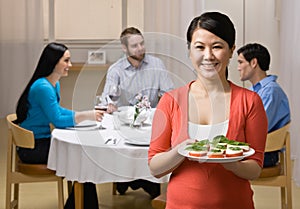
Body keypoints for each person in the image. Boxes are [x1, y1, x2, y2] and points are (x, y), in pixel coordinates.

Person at [148, 12, 268, 209]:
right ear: (189, 51)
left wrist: (234, 165)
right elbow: (155, 168)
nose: (208, 56)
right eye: (199, 47)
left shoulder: (250, 102)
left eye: (217, 47)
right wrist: (180, 150)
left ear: (231, 51)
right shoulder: (170, 101)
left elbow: (255, 168)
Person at [14, 42, 104, 209]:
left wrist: (83, 114)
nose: (70, 65)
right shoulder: (43, 87)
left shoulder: (53, 84)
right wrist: (85, 115)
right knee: (83, 162)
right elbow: (57, 120)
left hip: (40, 142)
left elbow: (58, 111)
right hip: (32, 149)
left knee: (83, 162)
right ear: (53, 62)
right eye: (66, 61)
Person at [100, 27, 174, 198]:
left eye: (142, 43)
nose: (140, 48)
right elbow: (107, 98)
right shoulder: (116, 69)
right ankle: (127, 179)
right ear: (124, 48)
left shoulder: (157, 64)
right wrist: (110, 104)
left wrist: (165, 101)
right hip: (125, 124)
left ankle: (146, 180)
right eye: (134, 46)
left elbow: (169, 93)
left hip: (151, 123)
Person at [237, 43, 291, 167]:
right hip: (255, 150)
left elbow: (256, 128)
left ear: (254, 62)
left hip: (264, 154)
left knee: (218, 163)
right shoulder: (254, 90)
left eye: (241, 62)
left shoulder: (270, 91)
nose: (238, 68)